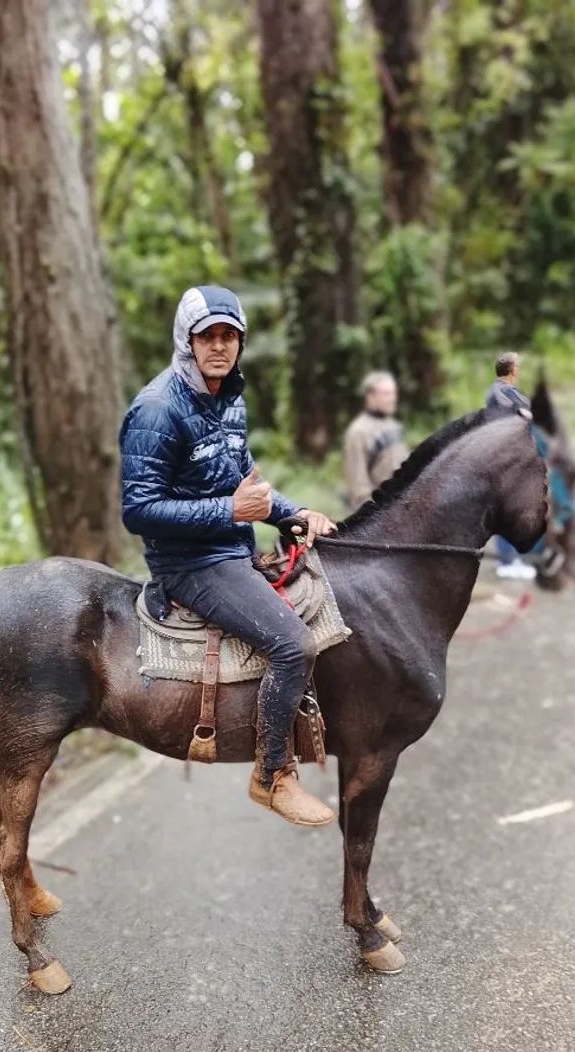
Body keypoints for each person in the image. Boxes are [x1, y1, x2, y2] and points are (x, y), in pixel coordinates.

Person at [119, 285, 337, 827]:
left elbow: (246, 486)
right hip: (189, 565)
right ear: (186, 341)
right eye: (207, 336)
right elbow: (137, 509)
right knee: (292, 644)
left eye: (229, 336)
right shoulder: (156, 408)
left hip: (230, 545)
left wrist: (295, 513)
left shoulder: (228, 396)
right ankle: (271, 776)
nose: (219, 346)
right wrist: (229, 512)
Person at [485, 352, 537, 581]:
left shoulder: (505, 390)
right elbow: (515, 414)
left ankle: (512, 559)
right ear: (512, 369)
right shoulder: (500, 391)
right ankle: (507, 562)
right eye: (518, 366)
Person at [343, 371, 409, 510]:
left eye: (393, 393)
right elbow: (358, 490)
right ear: (371, 396)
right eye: (386, 394)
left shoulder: (392, 425)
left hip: (404, 507)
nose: (392, 399)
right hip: (383, 514)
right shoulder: (358, 432)